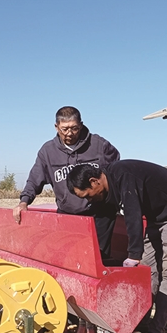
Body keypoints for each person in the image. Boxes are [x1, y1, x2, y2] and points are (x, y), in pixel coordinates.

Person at [67, 160, 167, 333]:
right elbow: (103, 220)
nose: (88, 200)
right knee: (146, 271)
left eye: (87, 195)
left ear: (94, 182)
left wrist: (134, 254)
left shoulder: (124, 176)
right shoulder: (105, 189)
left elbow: (133, 214)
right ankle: (139, 323)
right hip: (155, 217)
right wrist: (98, 257)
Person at [13, 106, 120, 259]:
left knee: (97, 257)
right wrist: (24, 201)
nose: (69, 133)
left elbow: (115, 172)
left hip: (100, 212)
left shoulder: (99, 145)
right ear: (56, 127)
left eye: (74, 128)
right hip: (68, 213)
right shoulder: (47, 151)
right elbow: (35, 179)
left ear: (81, 125)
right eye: (64, 129)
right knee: (68, 255)